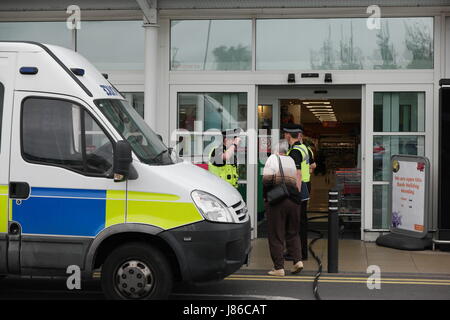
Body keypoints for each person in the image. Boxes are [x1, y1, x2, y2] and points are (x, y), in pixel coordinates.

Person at [263, 139, 304, 276]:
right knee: (293, 232)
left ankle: (279, 268)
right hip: (294, 200)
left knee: (276, 234)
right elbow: (296, 178)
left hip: (278, 201)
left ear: (276, 150)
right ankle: (298, 261)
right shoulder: (291, 160)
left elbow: (267, 181)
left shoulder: (272, 159)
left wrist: (266, 198)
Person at [283, 123, 315, 260]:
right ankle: (301, 252)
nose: (284, 136)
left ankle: (296, 253)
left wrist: (294, 194)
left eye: (285, 134)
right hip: (306, 187)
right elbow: (313, 166)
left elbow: (297, 174)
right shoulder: (305, 148)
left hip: (299, 189)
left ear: (289, 135)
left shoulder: (295, 151)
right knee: (301, 221)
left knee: (294, 223)